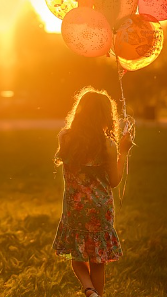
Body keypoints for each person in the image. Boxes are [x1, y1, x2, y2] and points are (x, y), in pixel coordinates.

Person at [52, 86, 134, 297]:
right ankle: (97, 293)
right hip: (100, 210)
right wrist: (123, 152)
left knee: (78, 258)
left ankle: (89, 290)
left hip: (75, 210)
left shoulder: (65, 138)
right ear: (107, 116)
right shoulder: (108, 144)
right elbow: (114, 181)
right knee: (98, 263)